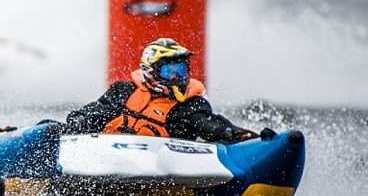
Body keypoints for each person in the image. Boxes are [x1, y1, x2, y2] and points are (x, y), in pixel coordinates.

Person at [64, 38, 257, 142]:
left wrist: (232, 133)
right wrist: (79, 122)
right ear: (150, 71)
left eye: (181, 70)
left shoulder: (190, 105)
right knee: (49, 128)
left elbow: (210, 125)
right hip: (105, 158)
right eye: (169, 71)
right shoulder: (123, 91)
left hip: (156, 173)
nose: (176, 78)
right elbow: (95, 112)